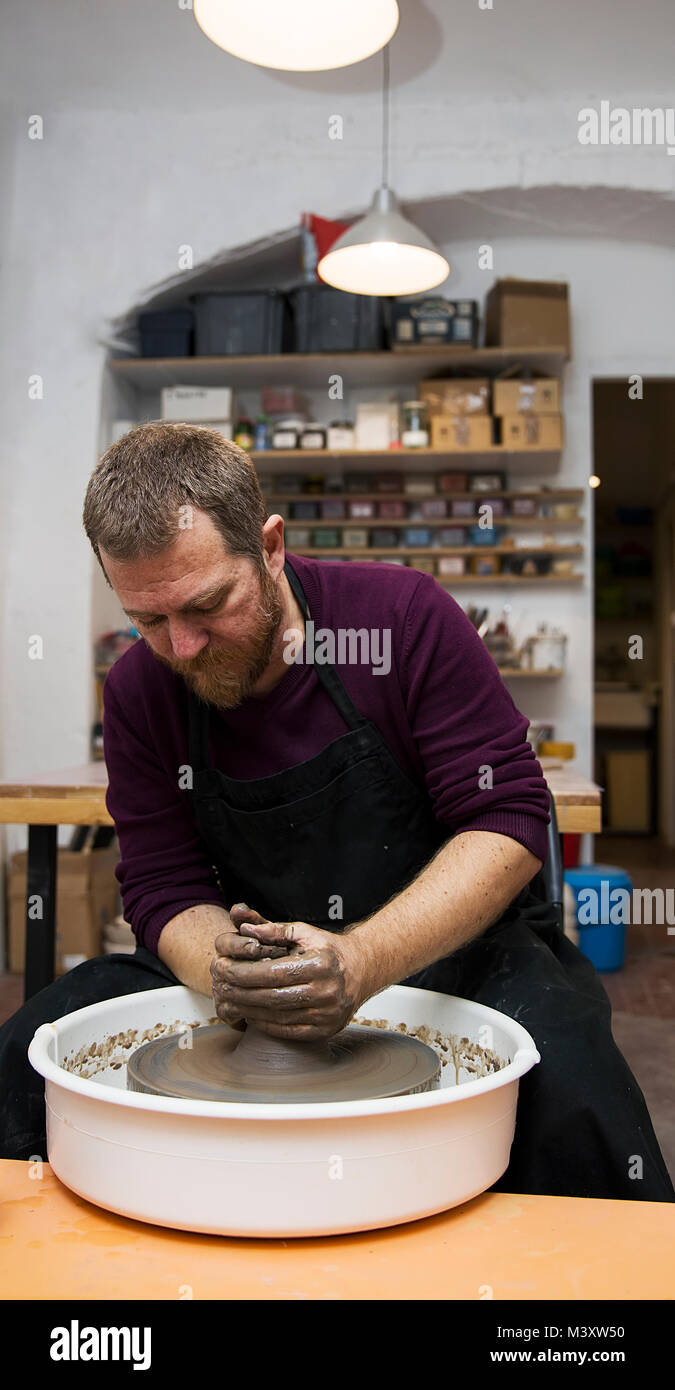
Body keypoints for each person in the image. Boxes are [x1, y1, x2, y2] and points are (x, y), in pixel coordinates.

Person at [1, 422, 672, 1203]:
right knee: (28, 1047)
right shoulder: (138, 692)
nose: (181, 647)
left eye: (207, 605)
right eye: (148, 621)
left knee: (575, 1087)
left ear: (271, 547)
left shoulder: (400, 618)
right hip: (254, 960)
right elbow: (160, 884)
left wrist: (357, 963)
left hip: (450, 948)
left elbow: (509, 819)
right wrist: (232, 971)